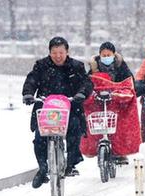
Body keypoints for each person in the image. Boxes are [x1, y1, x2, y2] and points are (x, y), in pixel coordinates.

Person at [22, 36, 93, 188]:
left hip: (70, 108)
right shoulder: (41, 66)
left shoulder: (76, 66)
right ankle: (42, 168)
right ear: (49, 52)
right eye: (54, 53)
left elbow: (86, 83)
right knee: (40, 137)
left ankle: (71, 164)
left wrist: (81, 94)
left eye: (61, 52)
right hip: (46, 108)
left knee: (74, 129)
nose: (58, 56)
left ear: (67, 52)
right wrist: (28, 93)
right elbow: (31, 80)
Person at [80, 41, 141, 164]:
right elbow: (87, 83)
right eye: (104, 55)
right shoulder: (93, 68)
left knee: (120, 123)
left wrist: (120, 92)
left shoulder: (121, 67)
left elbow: (128, 82)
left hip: (115, 102)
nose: (106, 57)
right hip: (99, 101)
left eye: (109, 55)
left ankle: (120, 151)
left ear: (114, 54)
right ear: (99, 55)